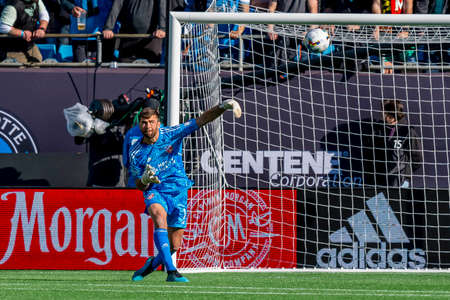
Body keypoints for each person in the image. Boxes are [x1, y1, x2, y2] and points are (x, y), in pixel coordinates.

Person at [130, 99, 242, 282]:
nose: (147, 126)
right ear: (139, 124)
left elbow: (201, 119)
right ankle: (172, 272)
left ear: (158, 122)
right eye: (144, 122)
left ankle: (151, 265)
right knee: (159, 217)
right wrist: (144, 180)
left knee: (174, 245)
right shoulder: (135, 151)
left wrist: (224, 106)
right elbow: (139, 184)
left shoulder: (172, 133)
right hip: (156, 191)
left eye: (151, 122)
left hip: (179, 191)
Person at [371, 99, 423, 188]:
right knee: (375, 202)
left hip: (400, 182)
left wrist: (406, 176)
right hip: (378, 182)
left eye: (384, 113)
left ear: (391, 117)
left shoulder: (407, 131)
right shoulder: (378, 130)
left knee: (397, 202)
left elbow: (417, 157)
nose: (382, 115)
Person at [102, 0, 166, 63]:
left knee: (153, 70)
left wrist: (162, 28)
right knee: (124, 70)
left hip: (150, 40)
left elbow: (162, 7)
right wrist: (108, 28)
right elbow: (116, 6)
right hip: (128, 41)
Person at [122, 96, 161, 188]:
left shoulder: (130, 133)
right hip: (158, 187)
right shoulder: (165, 131)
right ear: (157, 112)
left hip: (135, 184)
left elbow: (126, 162)